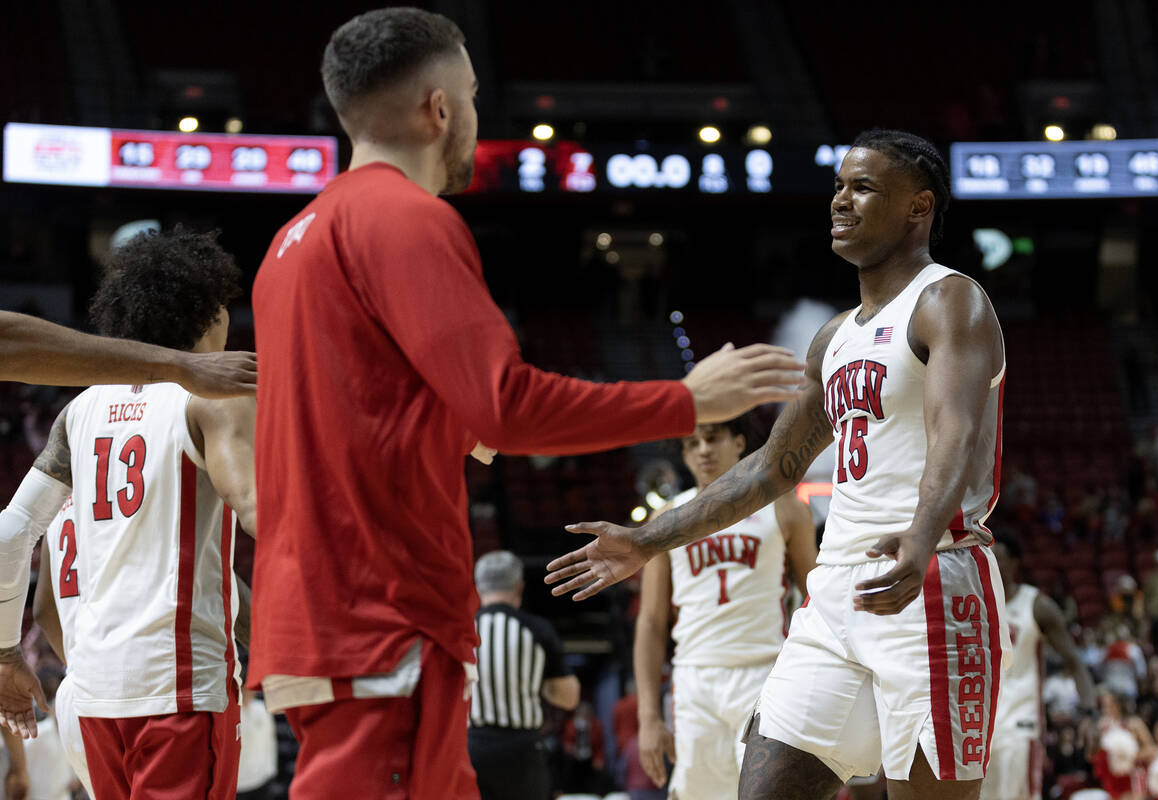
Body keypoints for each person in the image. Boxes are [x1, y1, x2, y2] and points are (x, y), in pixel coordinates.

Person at [247, 8, 802, 799]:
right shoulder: (406, 219)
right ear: (440, 108)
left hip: (321, 607)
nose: (475, 116)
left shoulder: (290, 242)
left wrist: (449, 427)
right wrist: (684, 399)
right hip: (383, 612)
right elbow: (507, 404)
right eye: (471, 96)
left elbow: (357, 417)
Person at [549, 129, 1011, 800]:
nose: (840, 202)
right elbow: (771, 467)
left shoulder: (950, 300)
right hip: (836, 594)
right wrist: (649, 540)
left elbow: (957, 428)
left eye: (863, 188)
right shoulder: (835, 336)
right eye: (838, 187)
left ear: (919, 207)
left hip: (931, 577)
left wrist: (919, 531)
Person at [0, 228, 257, 800]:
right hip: (179, 686)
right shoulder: (211, 396)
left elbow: (10, 534)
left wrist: (3, 653)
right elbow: (261, 510)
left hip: (90, 690)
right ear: (210, 313)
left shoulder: (79, 410)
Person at [634, 415, 816, 798]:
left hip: (764, 675)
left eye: (712, 439)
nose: (702, 450)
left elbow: (818, 598)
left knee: (766, 792)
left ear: (738, 443)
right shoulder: (666, 519)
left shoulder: (783, 508)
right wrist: (648, 716)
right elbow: (650, 622)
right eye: (692, 443)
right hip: (694, 679)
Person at [980, 532, 1097, 800]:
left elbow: (1075, 662)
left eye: (999, 557)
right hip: (980, 729)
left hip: (1020, 726)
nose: (992, 563)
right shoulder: (975, 605)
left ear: (1015, 562)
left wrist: (1089, 713)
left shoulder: (1036, 605)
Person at [468, 550, 579, 800]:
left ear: (477, 587)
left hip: (470, 748)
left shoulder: (465, 631)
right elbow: (569, 698)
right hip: (521, 751)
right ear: (519, 587)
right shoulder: (537, 630)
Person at [0, 310, 255, 398]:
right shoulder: (220, 401)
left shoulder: (82, 404)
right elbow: (251, 504)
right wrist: (182, 365)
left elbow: (24, 514)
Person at [31, 496, 93, 797]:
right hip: (128, 676)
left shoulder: (54, 512)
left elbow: (42, 610)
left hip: (77, 688)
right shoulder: (113, 498)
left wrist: (75, 663)